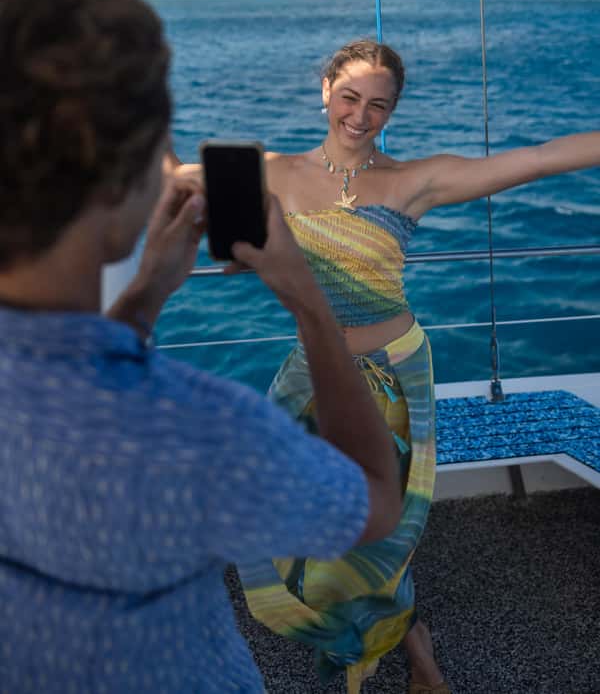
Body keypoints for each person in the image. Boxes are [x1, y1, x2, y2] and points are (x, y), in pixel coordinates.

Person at [0, 0, 406, 694]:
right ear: (122, 180)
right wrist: (307, 299)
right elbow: (374, 500)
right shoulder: (193, 429)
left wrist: (149, 290)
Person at [173, 39, 598, 694]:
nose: (360, 115)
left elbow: (537, 160)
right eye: (349, 97)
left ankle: (416, 654)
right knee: (309, 522)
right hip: (312, 372)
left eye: (379, 105)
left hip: (395, 378)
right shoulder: (270, 173)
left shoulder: (411, 181)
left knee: (382, 533)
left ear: (393, 111)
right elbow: (171, 174)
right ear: (324, 91)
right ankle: (384, 640)